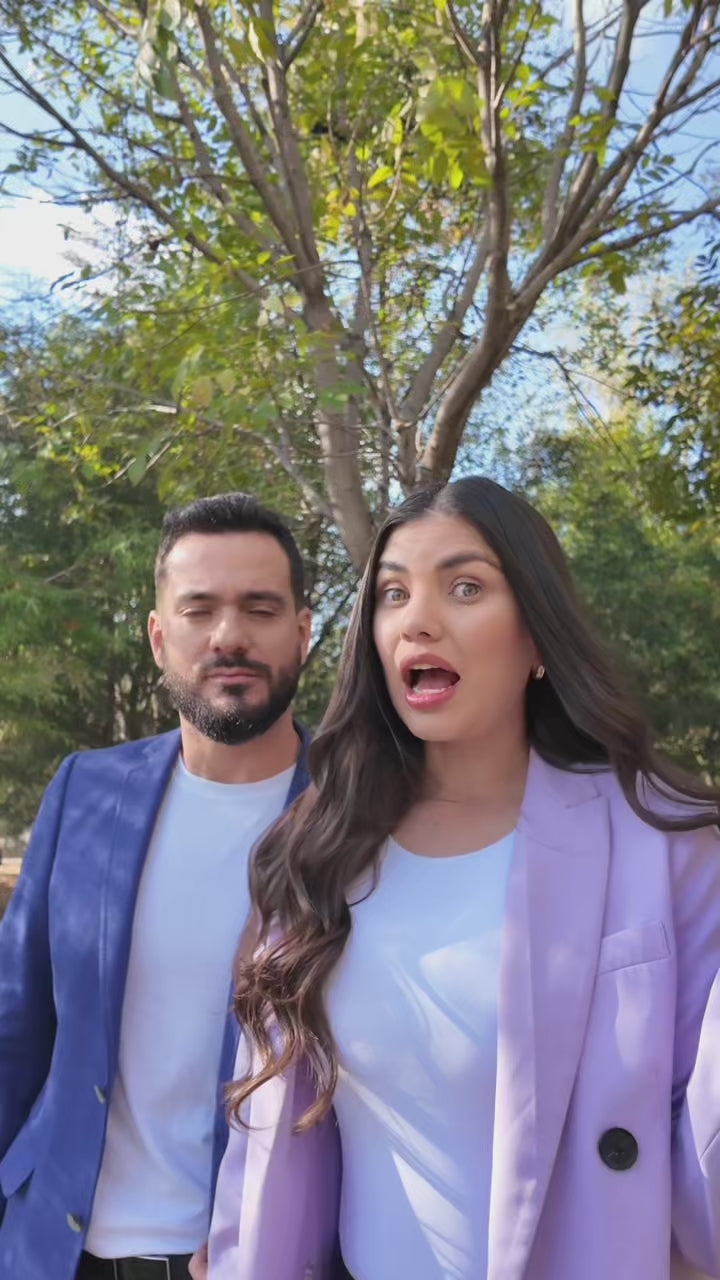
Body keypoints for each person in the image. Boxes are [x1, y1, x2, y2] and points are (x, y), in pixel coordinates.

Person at [201, 476, 720, 1280]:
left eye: (466, 587)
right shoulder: (319, 845)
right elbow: (265, 1135)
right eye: (393, 594)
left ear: (537, 636)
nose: (418, 619)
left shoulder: (662, 839)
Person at [0, 492, 313, 1280]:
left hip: (250, 1259)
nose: (229, 635)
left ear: (303, 631)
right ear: (157, 635)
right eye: (199, 609)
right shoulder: (86, 790)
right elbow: (16, 1023)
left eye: (260, 608)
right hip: (53, 1251)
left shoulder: (360, 813)